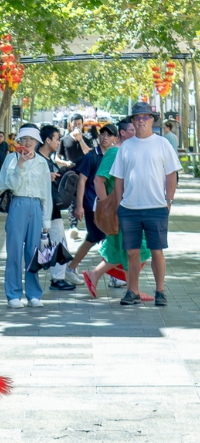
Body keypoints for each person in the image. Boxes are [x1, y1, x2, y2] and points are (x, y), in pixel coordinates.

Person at [109, 102, 180, 306]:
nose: (141, 121)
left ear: (151, 120)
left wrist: (169, 201)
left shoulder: (162, 144)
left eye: (145, 117)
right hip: (129, 209)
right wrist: (119, 203)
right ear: (132, 121)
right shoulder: (126, 147)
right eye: (137, 118)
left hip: (156, 207)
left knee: (157, 250)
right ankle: (133, 291)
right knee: (132, 252)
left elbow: (171, 175)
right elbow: (119, 178)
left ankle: (160, 291)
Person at [83, 118, 151, 297]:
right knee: (133, 247)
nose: (135, 132)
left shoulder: (129, 151)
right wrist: (106, 206)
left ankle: (96, 275)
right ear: (122, 133)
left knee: (122, 248)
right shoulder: (114, 152)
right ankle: (132, 289)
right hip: (119, 209)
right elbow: (99, 180)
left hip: (131, 207)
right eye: (131, 130)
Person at [0, 124, 53, 308]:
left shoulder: (42, 162)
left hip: (36, 207)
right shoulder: (11, 159)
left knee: (33, 252)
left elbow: (46, 192)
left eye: (31, 139)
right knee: (14, 250)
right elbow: (8, 185)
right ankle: (13, 294)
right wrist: (20, 165)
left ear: (37, 142)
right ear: (19, 141)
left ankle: (34, 294)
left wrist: (46, 220)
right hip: (18, 203)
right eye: (24, 139)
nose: (28, 142)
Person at [67, 124, 116, 284]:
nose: (105, 138)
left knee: (106, 238)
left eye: (109, 135)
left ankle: (113, 275)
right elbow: (82, 181)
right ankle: (71, 267)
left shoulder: (115, 156)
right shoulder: (91, 156)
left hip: (108, 206)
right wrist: (79, 206)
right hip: (92, 205)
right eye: (102, 134)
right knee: (96, 236)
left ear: (115, 138)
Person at [36, 124, 77, 291]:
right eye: (57, 139)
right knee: (55, 243)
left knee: (59, 243)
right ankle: (56, 278)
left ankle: (58, 277)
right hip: (44, 211)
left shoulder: (48, 160)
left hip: (54, 210)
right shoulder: (38, 160)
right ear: (47, 140)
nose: (58, 142)